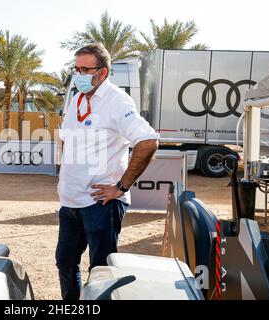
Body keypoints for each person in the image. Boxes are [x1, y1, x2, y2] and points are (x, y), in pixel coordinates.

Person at [56, 43, 159, 300]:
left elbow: (147, 141)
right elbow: (67, 139)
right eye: (75, 69)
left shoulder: (117, 101)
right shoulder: (77, 98)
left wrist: (120, 187)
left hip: (100, 204)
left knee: (100, 272)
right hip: (70, 203)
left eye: (84, 69)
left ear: (102, 73)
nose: (77, 75)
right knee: (65, 263)